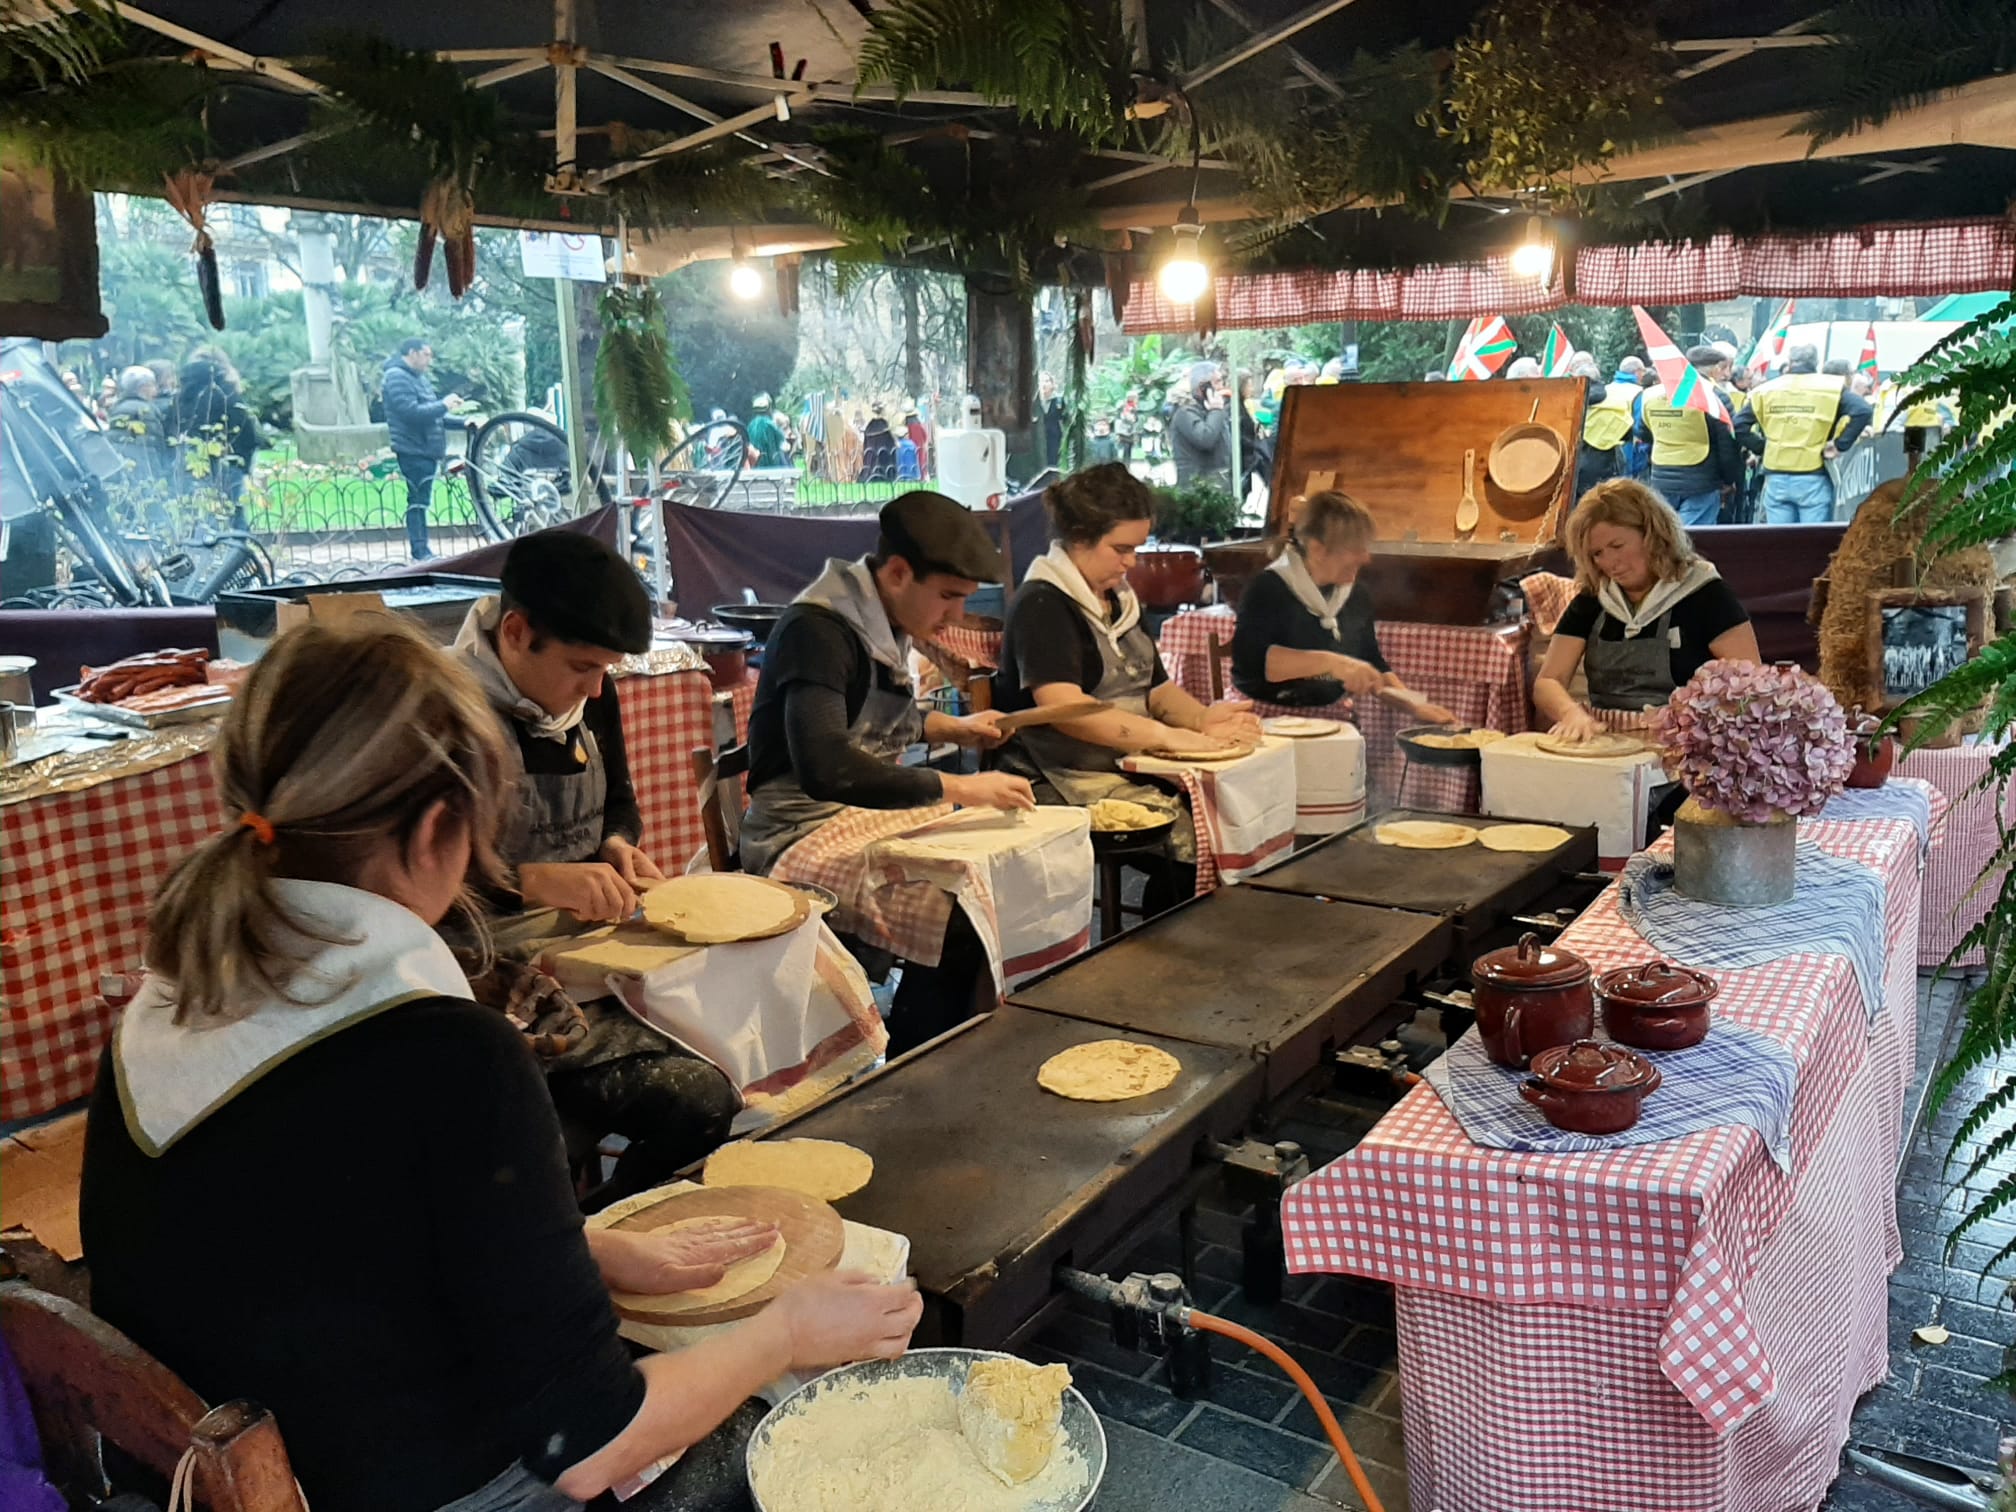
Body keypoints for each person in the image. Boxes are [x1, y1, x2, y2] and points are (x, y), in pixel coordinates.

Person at [80, 617, 922, 1512]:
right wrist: (785, 1332)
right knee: (792, 1438)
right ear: (440, 827)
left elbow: (320, 1231)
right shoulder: (444, 1052)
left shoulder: (171, 1001)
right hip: (401, 1486)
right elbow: (589, 1442)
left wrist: (585, 1250)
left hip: (201, 1469)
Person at [452, 531, 739, 1193]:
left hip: (585, 948)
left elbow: (618, 800)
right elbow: (402, 885)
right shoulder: (447, 715)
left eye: (605, 668)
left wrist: (616, 844)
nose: (597, 685)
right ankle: (595, 1242)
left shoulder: (590, 697)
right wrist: (529, 881)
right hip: (480, 966)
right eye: (583, 666)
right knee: (697, 1100)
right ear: (517, 632)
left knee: (736, 1028)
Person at [742, 492, 1033, 1052]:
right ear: (898, 572)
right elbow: (827, 766)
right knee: (961, 923)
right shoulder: (820, 630)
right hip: (797, 833)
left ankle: (945, 1046)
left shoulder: (884, 618)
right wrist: (961, 786)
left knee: (991, 885)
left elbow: (870, 721)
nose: (953, 617)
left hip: (858, 817)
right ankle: (912, 1064)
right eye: (948, 597)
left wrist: (956, 729)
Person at [996, 464, 1261, 913]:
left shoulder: (1118, 600)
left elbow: (1156, 689)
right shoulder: (1043, 603)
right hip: (1056, 778)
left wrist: (1199, 719)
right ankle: (1164, 960)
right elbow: (1064, 709)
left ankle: (1194, 946)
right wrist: (1170, 738)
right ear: (1078, 537)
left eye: (1136, 548)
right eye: (1121, 549)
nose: (1132, 562)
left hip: (1125, 764)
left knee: (1233, 815)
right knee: (1196, 839)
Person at [1533, 479, 1759, 741]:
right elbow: (1548, 681)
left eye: (1617, 546)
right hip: (1603, 741)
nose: (1610, 563)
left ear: (1652, 535)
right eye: (1597, 554)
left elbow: (1749, 684)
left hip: (1684, 748)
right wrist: (1571, 713)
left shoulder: (1706, 595)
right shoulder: (1593, 600)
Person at [1231, 490, 1455, 720]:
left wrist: (1413, 705)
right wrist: (1332, 663)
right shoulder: (1268, 588)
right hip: (1264, 721)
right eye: (1355, 548)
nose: (1365, 558)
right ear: (1318, 549)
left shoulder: (1355, 595)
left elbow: (1370, 661)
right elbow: (1253, 664)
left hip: (1329, 721)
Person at [1736, 342, 1872, 525]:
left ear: (1790, 362)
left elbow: (1738, 426)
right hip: (1813, 474)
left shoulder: (1765, 390)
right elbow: (1863, 410)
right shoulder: (1830, 388)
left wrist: (1763, 448)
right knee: (1813, 542)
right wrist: (1840, 445)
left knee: (1780, 542)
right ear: (1816, 362)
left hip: (1776, 476)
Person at [1635, 345, 1745, 527]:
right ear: (1714, 369)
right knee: (1694, 539)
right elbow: (1727, 444)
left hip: (1662, 477)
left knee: (1665, 534)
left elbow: (1643, 433)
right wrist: (1728, 479)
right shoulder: (1714, 396)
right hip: (1701, 480)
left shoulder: (1650, 394)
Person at [382, 338, 460, 562]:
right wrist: (444, 404)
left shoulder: (418, 379)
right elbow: (412, 413)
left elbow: (433, 414)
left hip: (426, 449)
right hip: (413, 449)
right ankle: (420, 551)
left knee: (421, 500)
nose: (429, 360)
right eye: (426, 354)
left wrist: (464, 422)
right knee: (417, 500)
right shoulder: (397, 377)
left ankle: (422, 549)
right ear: (413, 353)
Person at [173, 349, 263, 523]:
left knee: (197, 513)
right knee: (232, 512)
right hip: (228, 458)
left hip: (192, 459)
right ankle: (237, 548)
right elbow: (247, 432)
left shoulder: (182, 396)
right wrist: (242, 462)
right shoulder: (228, 393)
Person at [102, 364, 176, 509]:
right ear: (144, 387)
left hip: (123, 473)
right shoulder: (146, 411)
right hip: (144, 474)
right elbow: (155, 446)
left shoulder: (117, 409)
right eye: (153, 385)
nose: (155, 391)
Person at [1577, 353, 1637, 499]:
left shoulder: (1570, 402)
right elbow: (1628, 433)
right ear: (1598, 378)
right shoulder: (1615, 402)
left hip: (1576, 464)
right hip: (1607, 463)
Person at [1169, 361, 1232, 487]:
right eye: (1217, 382)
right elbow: (1205, 438)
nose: (1221, 387)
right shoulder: (1186, 412)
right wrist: (1216, 411)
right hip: (1197, 486)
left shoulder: (1208, 409)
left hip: (1214, 483)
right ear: (1202, 387)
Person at [858, 405, 898, 483]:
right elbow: (890, 442)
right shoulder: (884, 424)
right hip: (884, 459)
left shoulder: (870, 425)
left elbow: (866, 443)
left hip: (872, 458)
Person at [747, 392, 785, 468]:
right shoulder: (770, 424)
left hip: (755, 464)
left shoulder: (750, 425)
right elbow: (781, 439)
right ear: (768, 409)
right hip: (770, 463)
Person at [1036, 372, 1065, 470]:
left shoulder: (1059, 402)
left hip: (1054, 440)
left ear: (1052, 384)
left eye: (1047, 381)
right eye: (1041, 381)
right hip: (1037, 441)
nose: (1043, 384)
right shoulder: (1034, 404)